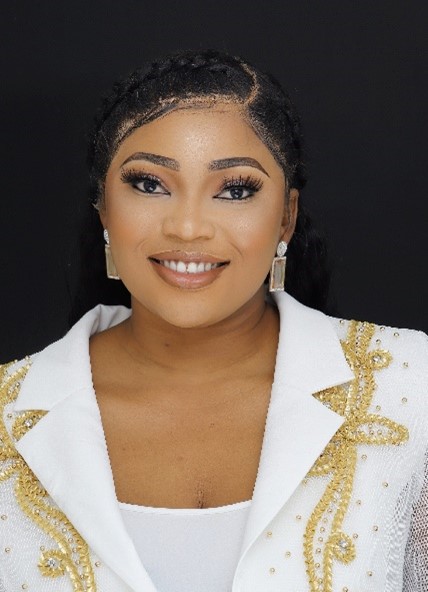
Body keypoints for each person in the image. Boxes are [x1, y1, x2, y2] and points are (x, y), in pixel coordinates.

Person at [0, 49, 426, 592]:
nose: (187, 228)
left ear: (287, 217)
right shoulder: (9, 419)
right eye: (149, 184)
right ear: (103, 207)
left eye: (235, 190)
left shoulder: (410, 391)